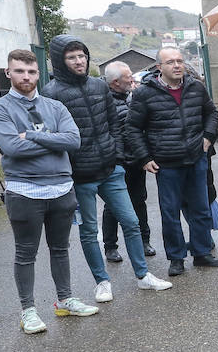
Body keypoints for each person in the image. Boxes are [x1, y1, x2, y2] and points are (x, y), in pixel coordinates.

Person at [41, 37, 173, 301]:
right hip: (80, 177)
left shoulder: (98, 86)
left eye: (82, 56)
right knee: (89, 232)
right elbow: (52, 135)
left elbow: (115, 123)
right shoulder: (51, 93)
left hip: (110, 170)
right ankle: (102, 282)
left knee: (132, 222)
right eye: (72, 57)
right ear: (60, 61)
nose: (79, 61)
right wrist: (70, 166)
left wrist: (116, 155)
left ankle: (143, 275)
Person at [0, 49, 99, 333]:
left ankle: (65, 300)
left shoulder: (56, 106)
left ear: (39, 73)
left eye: (32, 72)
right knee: (26, 253)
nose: (26, 77)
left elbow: (74, 140)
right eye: (20, 71)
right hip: (25, 191)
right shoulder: (0, 109)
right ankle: (28, 311)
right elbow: (12, 147)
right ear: (8, 73)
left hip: (62, 189)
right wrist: (53, 140)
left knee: (60, 249)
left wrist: (34, 135)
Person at [125, 47, 218, 277]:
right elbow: (132, 128)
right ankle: (176, 258)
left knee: (200, 209)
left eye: (180, 61)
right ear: (159, 67)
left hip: (196, 159)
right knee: (170, 213)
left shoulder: (195, 87)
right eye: (170, 62)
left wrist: (208, 137)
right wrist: (144, 158)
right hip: (166, 163)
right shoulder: (145, 93)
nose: (177, 65)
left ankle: (201, 253)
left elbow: (212, 113)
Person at [100, 62, 157, 262]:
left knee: (139, 200)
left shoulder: (133, 98)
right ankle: (110, 247)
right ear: (115, 82)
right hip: (116, 163)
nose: (132, 80)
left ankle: (144, 241)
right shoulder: (104, 103)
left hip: (136, 161)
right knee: (112, 206)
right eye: (128, 77)